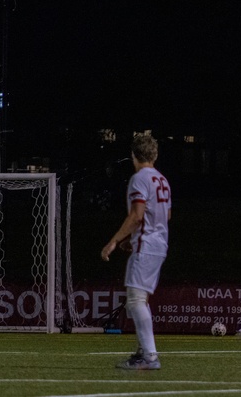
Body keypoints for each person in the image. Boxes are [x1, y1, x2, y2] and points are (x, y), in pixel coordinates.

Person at [101, 134, 171, 370]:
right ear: (155, 155)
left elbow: (137, 215)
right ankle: (143, 352)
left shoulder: (139, 178)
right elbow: (166, 215)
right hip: (160, 244)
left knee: (135, 300)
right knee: (141, 300)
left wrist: (114, 240)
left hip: (147, 244)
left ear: (133, 155)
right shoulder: (162, 180)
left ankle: (150, 356)